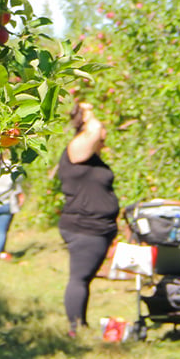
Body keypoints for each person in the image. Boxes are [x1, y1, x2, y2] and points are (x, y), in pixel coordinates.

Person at [57, 102, 120, 337]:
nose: (104, 135)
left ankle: (80, 324)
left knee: (84, 278)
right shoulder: (76, 150)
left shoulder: (89, 157)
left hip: (97, 228)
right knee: (80, 277)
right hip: (85, 227)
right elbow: (94, 131)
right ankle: (75, 328)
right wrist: (88, 113)